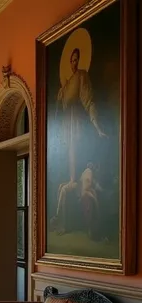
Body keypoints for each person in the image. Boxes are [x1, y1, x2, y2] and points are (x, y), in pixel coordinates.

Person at [50, 47, 106, 234]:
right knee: (65, 182)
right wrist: (60, 93)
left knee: (73, 178)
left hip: (78, 128)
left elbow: (89, 101)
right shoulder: (65, 86)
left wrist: (97, 127)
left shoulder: (82, 76)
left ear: (80, 60)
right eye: (71, 60)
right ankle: (60, 219)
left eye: (76, 60)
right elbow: (58, 112)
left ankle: (73, 184)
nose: (74, 63)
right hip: (66, 131)